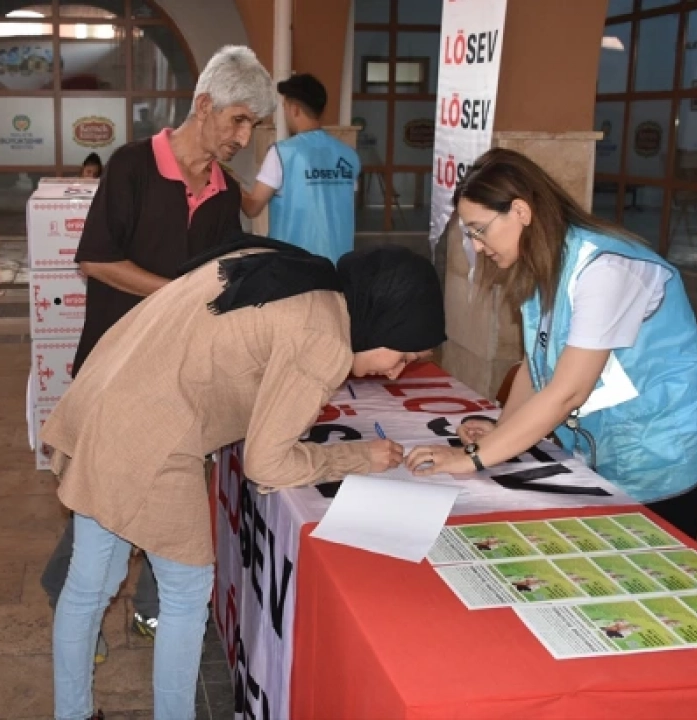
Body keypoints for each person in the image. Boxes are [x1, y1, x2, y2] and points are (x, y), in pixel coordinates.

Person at [44, 238, 447, 720]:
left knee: (91, 582)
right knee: (186, 591)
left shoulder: (305, 277)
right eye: (401, 356)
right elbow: (267, 464)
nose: (395, 373)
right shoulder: (327, 338)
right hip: (150, 431)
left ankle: (73, 713)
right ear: (387, 320)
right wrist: (357, 457)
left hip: (105, 398)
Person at [39, 44, 274, 661]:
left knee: (162, 496)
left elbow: (226, 275)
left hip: (179, 378)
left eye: (253, 126)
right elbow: (95, 258)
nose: (243, 138)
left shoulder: (223, 191)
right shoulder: (133, 165)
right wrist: (177, 295)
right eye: (238, 120)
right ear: (204, 105)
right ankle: (74, 604)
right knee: (103, 494)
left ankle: (147, 606)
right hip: (115, 366)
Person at [407, 148, 697, 538]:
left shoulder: (605, 269)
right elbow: (535, 365)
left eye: (479, 230)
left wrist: (471, 458)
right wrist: (501, 430)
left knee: (651, 567)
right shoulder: (542, 263)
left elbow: (567, 392)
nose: (477, 246)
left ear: (520, 211)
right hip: (608, 444)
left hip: (662, 450)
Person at [239, 73, 360, 264]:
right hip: (339, 267)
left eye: (285, 107)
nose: (285, 113)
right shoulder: (348, 156)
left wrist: (228, 179)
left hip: (293, 269)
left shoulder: (282, 154)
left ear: (294, 109)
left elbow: (252, 208)